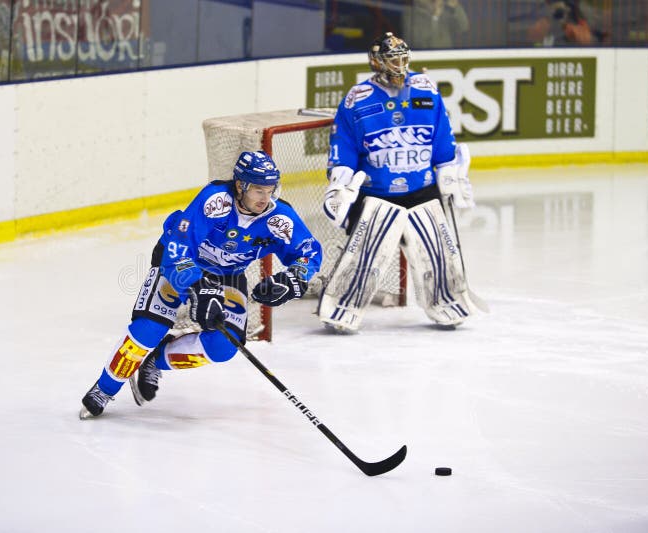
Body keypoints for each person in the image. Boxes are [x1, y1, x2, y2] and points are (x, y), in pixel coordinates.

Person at [80, 151, 322, 418]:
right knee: (148, 329)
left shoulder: (279, 218)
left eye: (270, 190)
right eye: (258, 191)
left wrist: (293, 279)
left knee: (223, 346)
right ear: (241, 185)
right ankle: (104, 390)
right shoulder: (215, 201)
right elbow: (178, 247)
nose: (265, 199)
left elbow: (308, 252)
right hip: (179, 263)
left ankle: (155, 361)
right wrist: (196, 287)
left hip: (228, 275)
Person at [318, 31, 481, 332]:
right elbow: (344, 147)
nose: (399, 65)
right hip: (375, 194)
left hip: (422, 191)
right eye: (392, 59)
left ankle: (447, 301)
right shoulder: (357, 98)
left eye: (403, 58)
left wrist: (452, 176)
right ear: (376, 61)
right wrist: (339, 186)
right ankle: (342, 306)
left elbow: (442, 138)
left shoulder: (426, 89)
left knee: (438, 252)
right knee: (364, 255)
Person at [527, 0, 593, 46]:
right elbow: (532, 43)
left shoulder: (583, 13)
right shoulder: (539, 15)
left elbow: (591, 42)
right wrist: (537, 37)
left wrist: (583, 38)